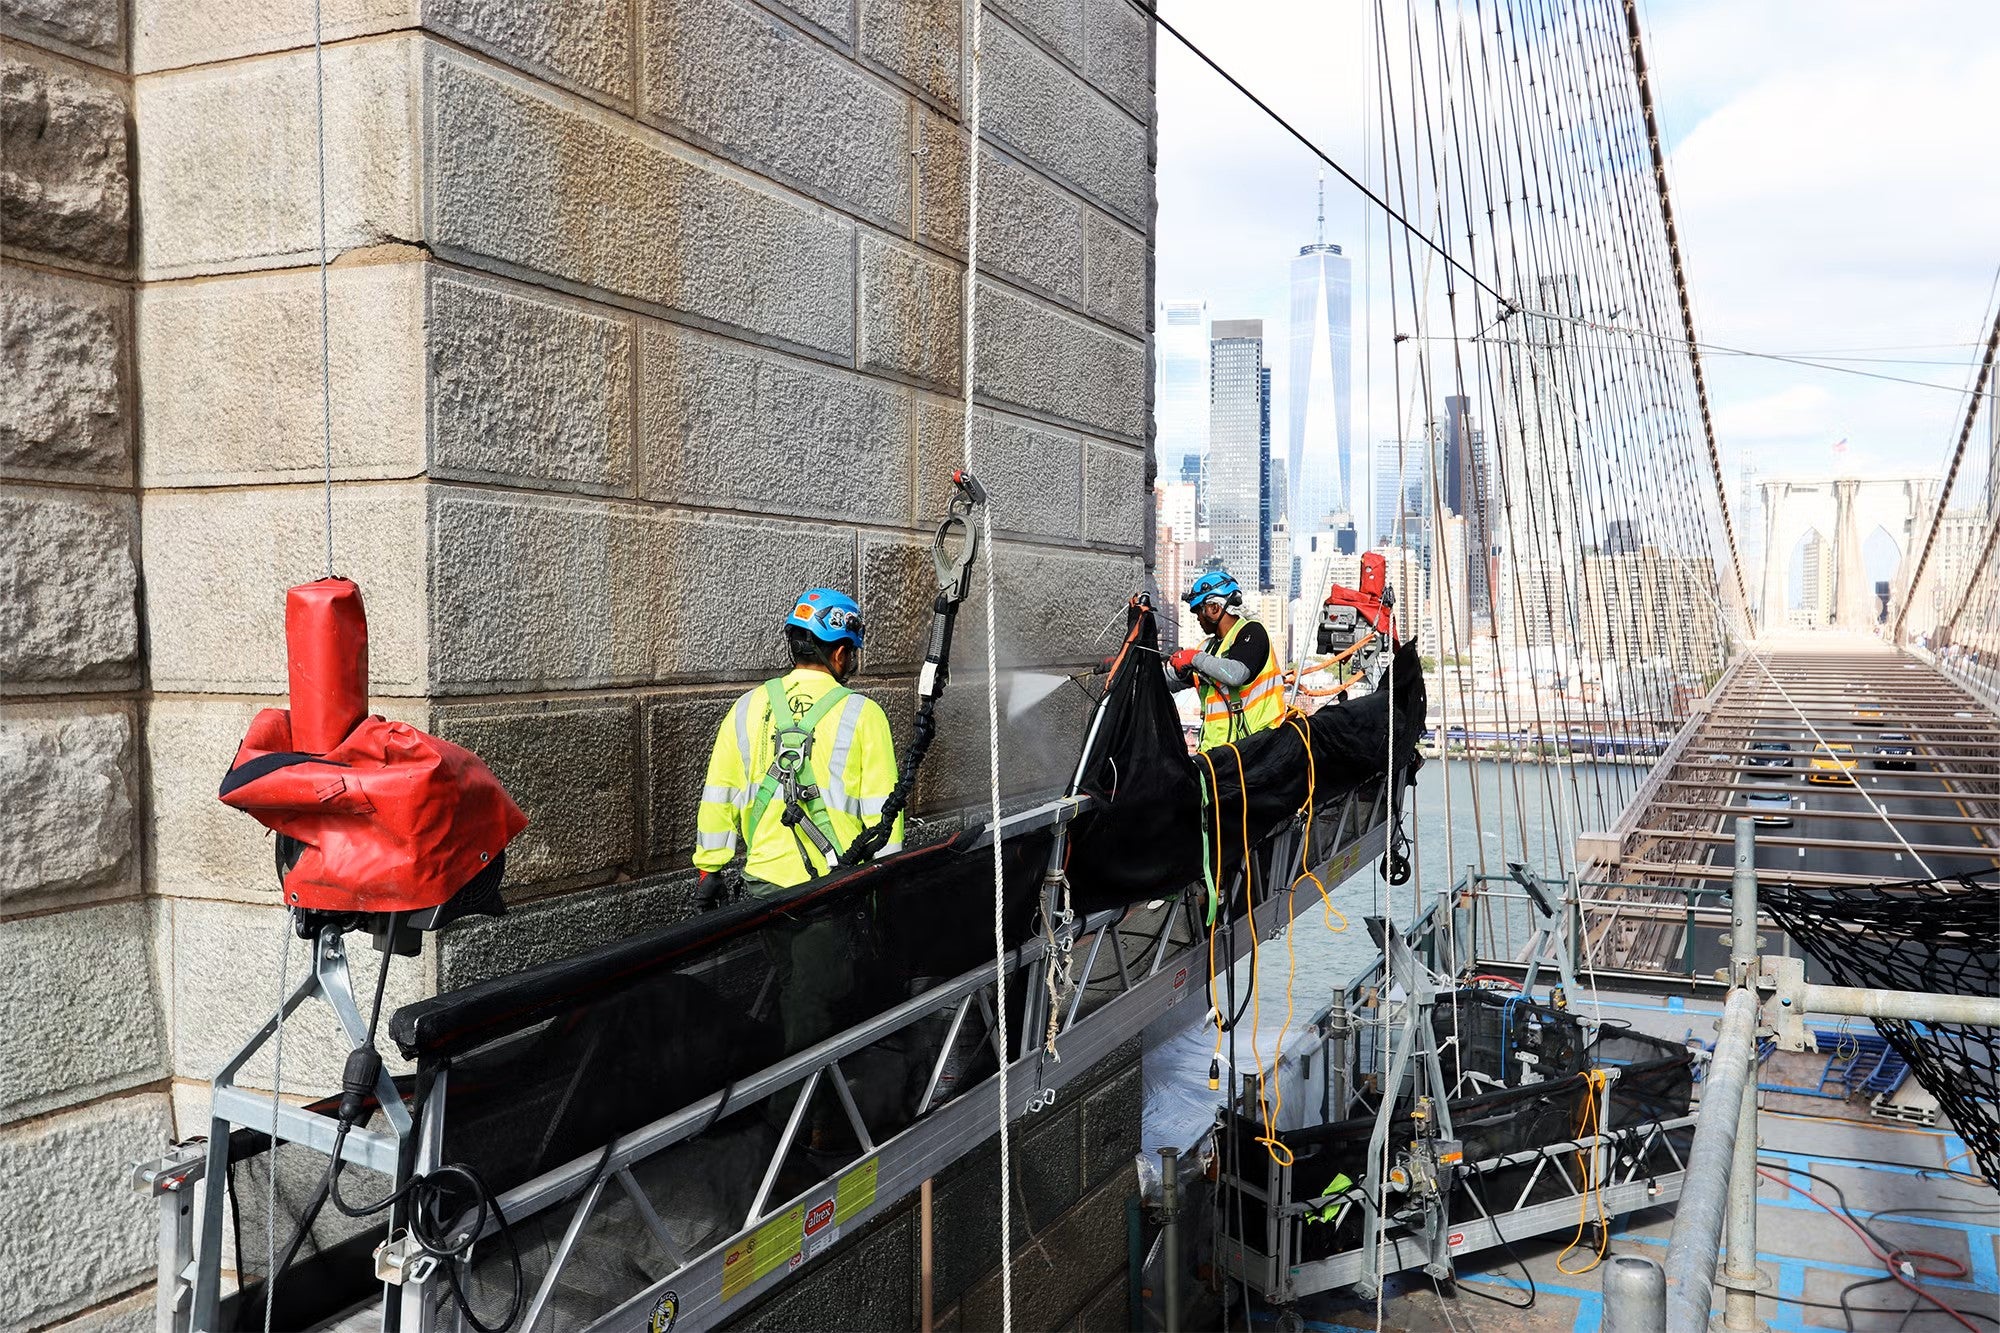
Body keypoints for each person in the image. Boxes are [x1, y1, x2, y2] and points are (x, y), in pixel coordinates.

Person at [694, 587, 903, 897]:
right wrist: (888, 882)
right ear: (840, 654)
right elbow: (884, 814)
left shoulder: (746, 707)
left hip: (763, 884)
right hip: (836, 885)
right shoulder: (864, 714)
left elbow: (719, 796)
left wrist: (708, 872)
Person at [1167, 568, 1283, 750]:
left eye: (1199, 611)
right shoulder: (1207, 648)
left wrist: (1194, 658)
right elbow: (1172, 680)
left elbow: (1236, 674)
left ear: (1214, 607)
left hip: (1255, 748)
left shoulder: (1252, 632)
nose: (1198, 618)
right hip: (1215, 750)